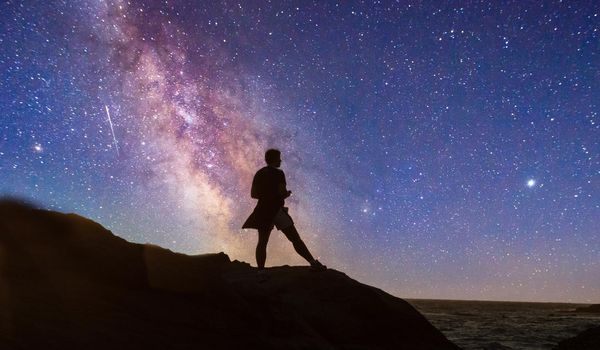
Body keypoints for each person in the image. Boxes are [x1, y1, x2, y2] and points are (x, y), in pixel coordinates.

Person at [242, 149, 326, 273]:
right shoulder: (279, 173)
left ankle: (260, 271)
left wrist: (267, 195)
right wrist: (287, 194)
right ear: (275, 159)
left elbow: (254, 194)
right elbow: (282, 193)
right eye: (279, 158)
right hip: (276, 210)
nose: (281, 160)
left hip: (262, 210)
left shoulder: (259, 173)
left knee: (262, 242)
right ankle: (313, 263)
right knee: (295, 238)